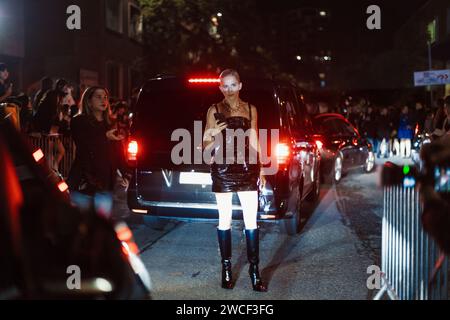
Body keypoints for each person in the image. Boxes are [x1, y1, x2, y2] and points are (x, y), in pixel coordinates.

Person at [203, 69, 267, 292]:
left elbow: (254, 138)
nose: (229, 89)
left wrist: (263, 170)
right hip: (222, 168)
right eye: (225, 86)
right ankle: (227, 268)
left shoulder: (251, 109)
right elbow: (205, 147)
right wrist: (212, 133)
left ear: (240, 86)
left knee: (251, 220)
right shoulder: (214, 109)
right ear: (220, 87)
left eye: (233, 85)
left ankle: (254, 270)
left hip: (248, 168)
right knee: (225, 219)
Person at [67, 86, 128, 196]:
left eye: (105, 97)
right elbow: (83, 145)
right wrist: (104, 137)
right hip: (86, 176)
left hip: (107, 179)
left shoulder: (111, 123)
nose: (103, 100)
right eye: (98, 97)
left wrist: (125, 173)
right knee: (83, 212)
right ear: (89, 101)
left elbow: (118, 151)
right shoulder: (79, 121)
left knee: (103, 211)